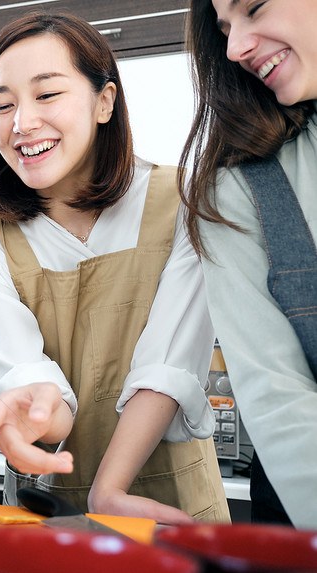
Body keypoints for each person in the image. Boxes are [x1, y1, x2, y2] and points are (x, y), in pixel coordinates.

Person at [0, 12, 230, 524]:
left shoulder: (186, 200)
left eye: (47, 94)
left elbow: (166, 361)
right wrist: (32, 405)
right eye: (3, 104)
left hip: (171, 506)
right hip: (46, 510)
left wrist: (111, 490)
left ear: (104, 102)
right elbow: (25, 376)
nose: (22, 122)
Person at [179, 0, 317, 529]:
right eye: (226, 30)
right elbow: (277, 397)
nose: (236, 48)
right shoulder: (238, 188)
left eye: (254, 8)